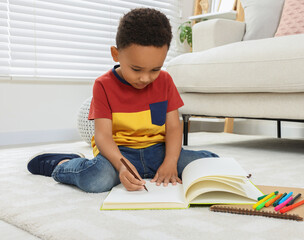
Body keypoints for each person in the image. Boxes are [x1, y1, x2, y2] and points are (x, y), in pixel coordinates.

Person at [27, 8, 218, 193]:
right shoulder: (103, 85)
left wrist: (170, 161)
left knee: (209, 165)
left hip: (158, 151)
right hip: (118, 153)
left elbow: (174, 128)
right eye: (136, 69)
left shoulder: (165, 81)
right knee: (95, 180)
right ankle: (62, 163)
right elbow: (103, 136)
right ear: (116, 54)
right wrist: (122, 166)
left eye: (155, 69)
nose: (145, 78)